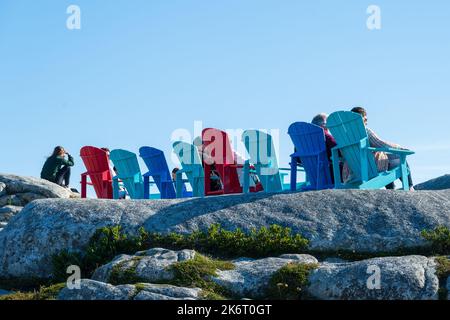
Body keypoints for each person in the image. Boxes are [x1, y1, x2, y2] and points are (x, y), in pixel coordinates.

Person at [351, 107, 414, 190]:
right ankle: (410, 187)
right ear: (362, 119)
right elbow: (380, 143)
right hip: (369, 167)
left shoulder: (345, 136)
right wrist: (399, 148)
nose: (366, 122)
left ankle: (391, 188)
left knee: (386, 159)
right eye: (365, 119)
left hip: (353, 170)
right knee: (400, 158)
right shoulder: (365, 131)